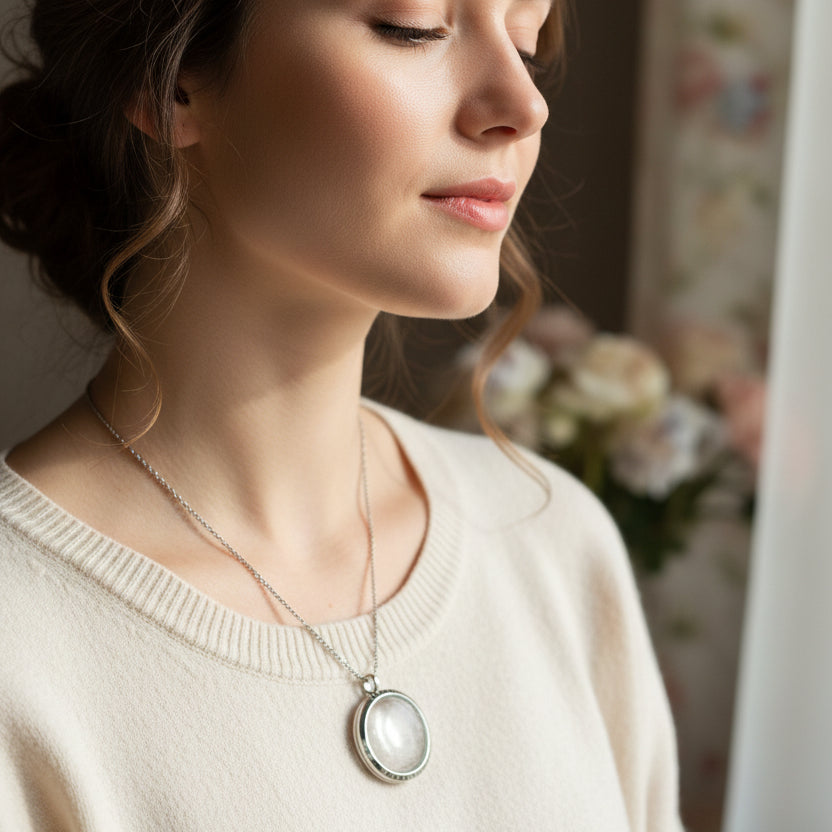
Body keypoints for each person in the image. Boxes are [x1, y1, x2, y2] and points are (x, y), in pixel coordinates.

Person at [0, 0, 685, 828]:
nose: (523, 104)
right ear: (173, 83)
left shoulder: (550, 542)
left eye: (524, 35)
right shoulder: (25, 644)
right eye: (413, 26)